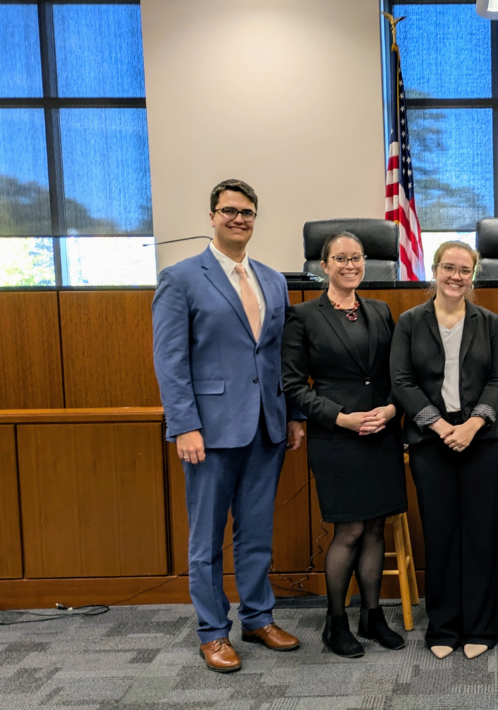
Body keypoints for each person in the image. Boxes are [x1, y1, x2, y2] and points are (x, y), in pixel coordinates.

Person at [152, 179, 305, 673]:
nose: (239, 219)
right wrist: (184, 425)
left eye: (248, 212)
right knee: (206, 539)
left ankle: (258, 617)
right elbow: (170, 360)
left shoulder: (273, 279)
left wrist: (294, 415)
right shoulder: (180, 278)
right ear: (212, 217)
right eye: (229, 211)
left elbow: (282, 354)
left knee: (257, 532)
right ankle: (213, 631)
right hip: (209, 431)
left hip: (267, 428)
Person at [281, 231, 408, 658]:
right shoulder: (302, 316)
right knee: (350, 528)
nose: (350, 265)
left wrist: (391, 410)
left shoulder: (380, 310)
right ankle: (336, 623)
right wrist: (342, 418)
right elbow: (294, 386)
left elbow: (396, 374)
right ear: (323, 265)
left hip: (381, 430)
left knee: (375, 526)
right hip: (337, 435)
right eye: (340, 258)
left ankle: (372, 617)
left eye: (356, 258)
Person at [389, 241, 498, 660]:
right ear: (435, 270)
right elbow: (402, 382)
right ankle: (442, 626)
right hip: (430, 442)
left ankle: (481, 625)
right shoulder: (410, 321)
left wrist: (473, 424)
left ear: (473, 275)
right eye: (448, 268)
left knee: (479, 533)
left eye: (464, 270)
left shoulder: (489, 321)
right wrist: (442, 427)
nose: (456, 276)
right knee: (439, 535)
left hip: (483, 442)